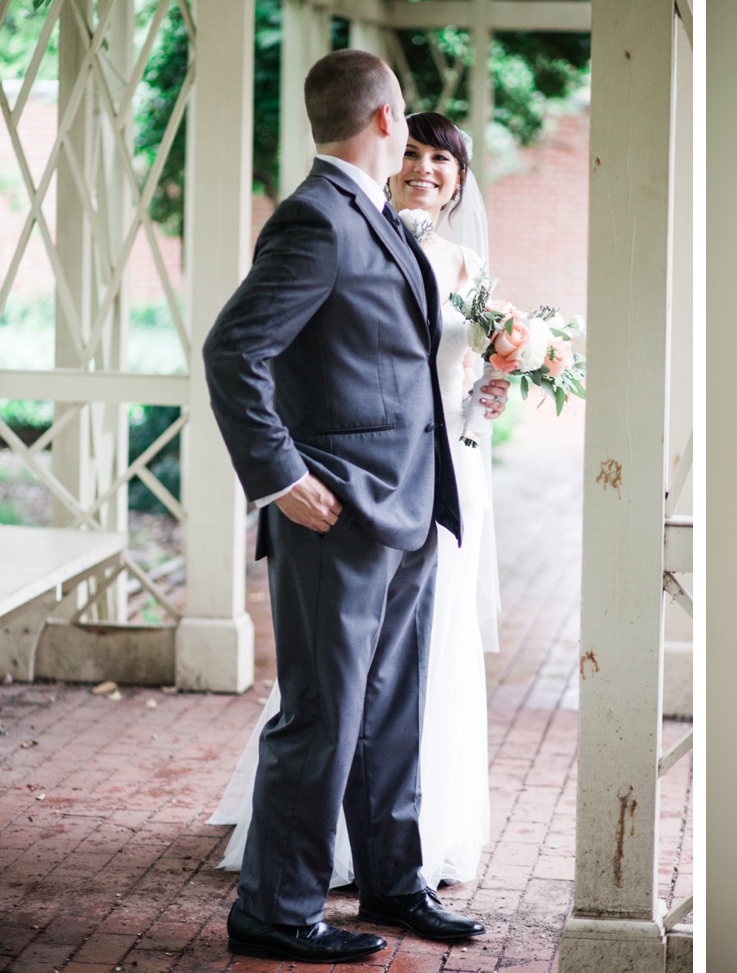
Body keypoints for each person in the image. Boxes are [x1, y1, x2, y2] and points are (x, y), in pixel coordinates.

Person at [203, 50, 487, 963]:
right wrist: (282, 476)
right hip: (333, 513)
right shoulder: (316, 220)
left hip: (408, 508)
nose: (410, 131)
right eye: (404, 116)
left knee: (392, 711)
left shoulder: (384, 217)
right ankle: (275, 913)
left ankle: (395, 886)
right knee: (320, 716)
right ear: (383, 120)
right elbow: (233, 353)